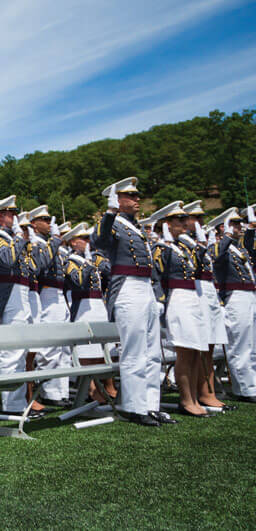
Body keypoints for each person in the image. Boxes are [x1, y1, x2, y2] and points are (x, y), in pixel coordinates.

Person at [92, 177, 170, 426]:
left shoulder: (137, 228)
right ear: (119, 199)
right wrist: (110, 213)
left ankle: (151, 405)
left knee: (152, 351)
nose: (137, 200)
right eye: (131, 196)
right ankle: (135, 407)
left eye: (137, 196)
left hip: (145, 288)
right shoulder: (112, 224)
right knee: (134, 350)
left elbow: (151, 265)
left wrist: (157, 294)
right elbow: (100, 242)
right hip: (126, 287)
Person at [151, 201, 208, 416]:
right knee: (185, 351)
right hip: (177, 299)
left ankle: (194, 397)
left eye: (186, 219)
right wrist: (160, 300)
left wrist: (198, 243)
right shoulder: (161, 247)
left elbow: (200, 265)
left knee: (195, 351)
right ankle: (186, 400)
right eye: (180, 220)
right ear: (167, 223)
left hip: (192, 297)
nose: (185, 223)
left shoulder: (184, 246)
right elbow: (157, 275)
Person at [0, 195, 38, 416]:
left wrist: (26, 242)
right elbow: (7, 259)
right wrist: (18, 238)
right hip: (9, 295)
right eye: (10, 214)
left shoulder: (12, 238)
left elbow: (34, 269)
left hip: (22, 292)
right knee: (12, 352)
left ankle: (18, 403)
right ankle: (11, 405)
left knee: (21, 349)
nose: (14, 218)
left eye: (14, 214)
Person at [182, 201, 231, 411]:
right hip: (196, 289)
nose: (201, 222)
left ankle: (208, 390)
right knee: (201, 345)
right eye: (196, 218)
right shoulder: (183, 242)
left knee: (211, 344)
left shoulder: (198, 240)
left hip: (208, 289)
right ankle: (200, 393)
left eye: (202, 218)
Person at [63, 223, 117, 402]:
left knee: (102, 351)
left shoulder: (94, 258)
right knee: (87, 351)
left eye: (88, 239)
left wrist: (99, 258)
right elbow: (78, 280)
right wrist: (87, 262)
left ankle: (104, 386)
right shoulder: (71, 261)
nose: (88, 242)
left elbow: (110, 275)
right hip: (83, 307)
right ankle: (91, 389)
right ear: (73, 243)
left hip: (98, 306)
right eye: (83, 239)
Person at [209, 207, 256, 402]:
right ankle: (244, 388)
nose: (239, 227)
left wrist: (252, 229)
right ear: (223, 227)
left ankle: (252, 383)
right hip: (235, 296)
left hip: (250, 294)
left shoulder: (240, 247)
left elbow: (252, 248)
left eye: (239, 224)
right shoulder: (219, 246)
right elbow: (216, 257)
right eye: (235, 224)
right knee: (240, 344)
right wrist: (227, 234)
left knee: (252, 344)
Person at [28, 206, 69, 406]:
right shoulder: (36, 243)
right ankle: (49, 391)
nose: (48, 222)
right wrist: (54, 241)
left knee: (62, 346)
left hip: (59, 293)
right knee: (49, 347)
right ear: (34, 224)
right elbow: (41, 265)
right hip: (46, 292)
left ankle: (61, 391)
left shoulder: (47, 243)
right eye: (43, 219)